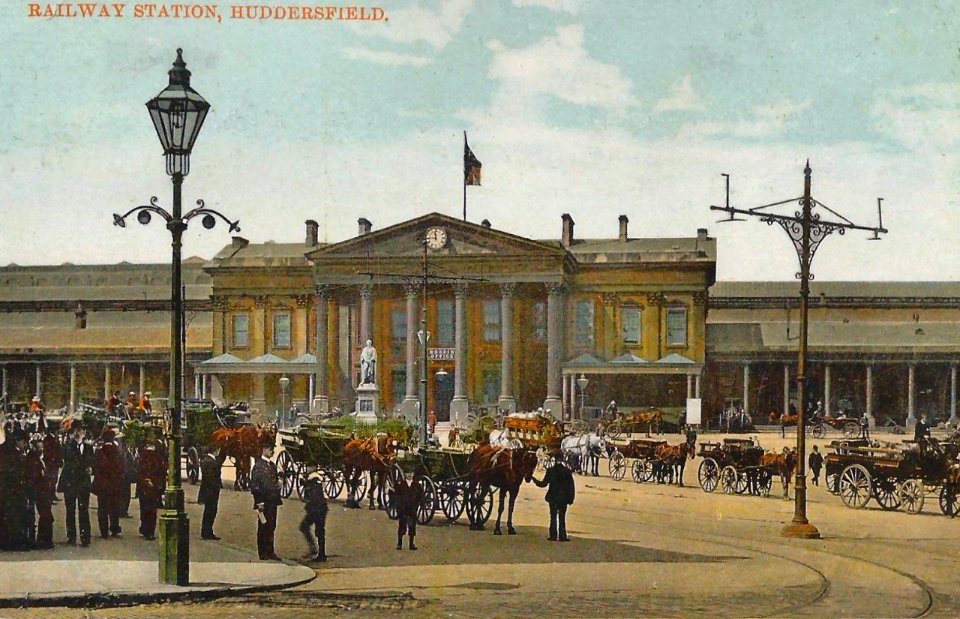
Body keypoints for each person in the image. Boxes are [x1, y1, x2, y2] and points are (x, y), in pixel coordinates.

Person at [58, 422, 93, 546]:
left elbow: (92, 462)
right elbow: (68, 461)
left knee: (84, 509)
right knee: (70, 510)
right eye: (80, 430)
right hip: (71, 482)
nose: (82, 432)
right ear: (75, 431)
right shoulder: (67, 446)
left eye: (83, 430)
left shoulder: (89, 447)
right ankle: (71, 536)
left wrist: (90, 468)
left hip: (83, 482)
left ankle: (85, 537)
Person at [533, 450, 575, 542]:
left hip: (553, 497)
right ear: (563, 459)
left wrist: (534, 480)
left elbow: (543, 484)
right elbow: (571, 487)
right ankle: (562, 536)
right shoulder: (567, 472)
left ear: (555, 459)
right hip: (563, 498)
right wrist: (571, 498)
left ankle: (553, 535)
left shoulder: (550, 471)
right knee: (562, 517)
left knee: (553, 517)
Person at [249, 443, 282, 561]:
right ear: (263, 449)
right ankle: (262, 552)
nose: (272, 451)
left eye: (273, 449)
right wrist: (259, 501)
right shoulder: (258, 466)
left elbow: (275, 482)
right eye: (270, 449)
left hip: (273, 501)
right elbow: (255, 485)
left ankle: (270, 551)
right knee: (263, 526)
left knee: (271, 526)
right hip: (263, 502)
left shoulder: (272, 465)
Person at [92, 428, 125, 538]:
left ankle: (104, 530)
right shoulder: (118, 452)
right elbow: (122, 468)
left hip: (102, 485)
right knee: (114, 507)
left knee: (102, 508)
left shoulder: (99, 452)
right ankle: (114, 528)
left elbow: (95, 468)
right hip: (115, 485)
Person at [137, 439, 165, 540]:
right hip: (153, 488)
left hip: (145, 488)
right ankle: (150, 530)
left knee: (145, 509)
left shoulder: (143, 459)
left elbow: (139, 472)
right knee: (152, 510)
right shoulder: (158, 460)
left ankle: (145, 527)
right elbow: (162, 474)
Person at [299, 470, 328, 561]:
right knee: (319, 531)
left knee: (305, 527)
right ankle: (320, 552)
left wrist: (309, 507)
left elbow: (313, 497)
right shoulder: (316, 479)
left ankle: (316, 551)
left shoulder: (313, 480)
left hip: (315, 510)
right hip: (321, 509)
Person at [393, 472, 423, 551]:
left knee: (412, 525)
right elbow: (396, 496)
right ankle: (399, 543)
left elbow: (421, 496)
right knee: (402, 524)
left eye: (411, 473)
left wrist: (418, 504)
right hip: (403, 508)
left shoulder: (417, 485)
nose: (409, 475)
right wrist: (398, 507)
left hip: (413, 508)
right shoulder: (400, 485)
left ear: (413, 474)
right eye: (407, 473)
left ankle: (411, 543)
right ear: (405, 475)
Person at [198, 444, 223, 540]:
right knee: (211, 511)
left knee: (209, 511)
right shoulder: (211, 462)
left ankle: (207, 531)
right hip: (211, 490)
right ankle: (207, 532)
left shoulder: (206, 460)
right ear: (215, 451)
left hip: (208, 490)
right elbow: (211, 477)